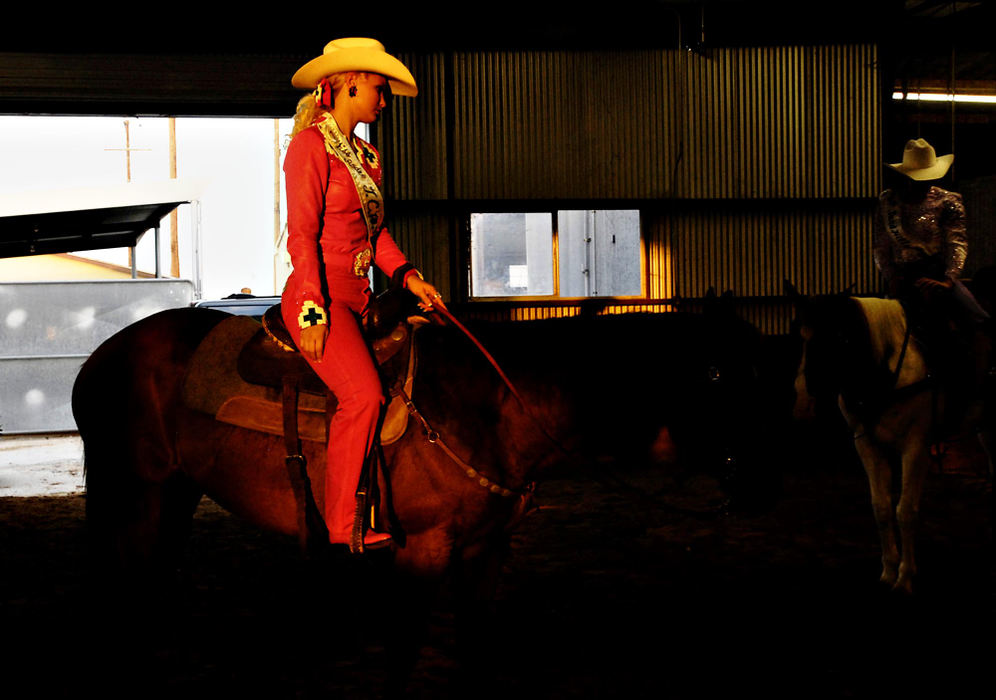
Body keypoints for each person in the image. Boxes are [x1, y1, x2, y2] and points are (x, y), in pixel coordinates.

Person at [281, 38, 446, 552]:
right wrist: (312, 312)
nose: (383, 99)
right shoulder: (310, 147)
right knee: (363, 395)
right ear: (349, 82)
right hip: (321, 295)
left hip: (362, 295)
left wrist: (407, 275)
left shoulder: (366, 156)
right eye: (378, 88)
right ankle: (342, 522)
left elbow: (377, 237)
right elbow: (301, 234)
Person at [873, 138, 988, 402]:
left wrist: (949, 279)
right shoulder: (887, 202)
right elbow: (880, 246)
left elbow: (956, 240)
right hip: (901, 279)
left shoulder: (948, 201)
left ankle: (975, 386)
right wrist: (891, 278)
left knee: (979, 321)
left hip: (935, 276)